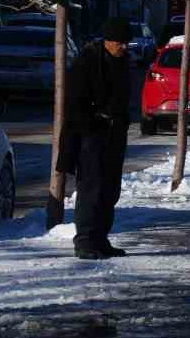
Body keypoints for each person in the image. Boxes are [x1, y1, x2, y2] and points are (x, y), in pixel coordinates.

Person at [58, 18, 132, 260]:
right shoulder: (88, 61)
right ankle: (85, 240)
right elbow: (75, 101)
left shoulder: (123, 63)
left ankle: (100, 238)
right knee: (92, 187)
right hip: (91, 134)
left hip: (114, 133)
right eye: (120, 43)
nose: (124, 47)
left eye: (126, 42)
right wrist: (91, 123)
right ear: (108, 41)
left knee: (110, 189)